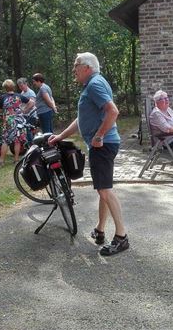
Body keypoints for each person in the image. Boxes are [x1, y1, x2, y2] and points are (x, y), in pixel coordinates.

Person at [49, 52, 129, 256]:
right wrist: (60, 136)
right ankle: (100, 230)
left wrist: (99, 135)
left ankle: (121, 237)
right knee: (103, 189)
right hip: (102, 145)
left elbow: (113, 111)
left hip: (103, 145)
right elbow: (81, 119)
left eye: (76, 65)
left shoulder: (94, 84)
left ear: (87, 67)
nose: (74, 69)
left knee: (105, 191)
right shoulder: (92, 85)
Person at [0, 79, 29, 165]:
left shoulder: (3, 97)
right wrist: (24, 110)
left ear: (5, 88)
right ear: (13, 86)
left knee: (5, 140)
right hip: (19, 120)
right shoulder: (18, 96)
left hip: (8, 121)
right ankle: (16, 160)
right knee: (17, 140)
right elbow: (31, 102)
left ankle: (1, 161)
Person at [17, 77, 38, 143]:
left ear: (26, 84)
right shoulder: (22, 93)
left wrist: (25, 110)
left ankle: (32, 145)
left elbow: (32, 103)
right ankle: (30, 144)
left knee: (29, 131)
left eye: (22, 86)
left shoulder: (31, 93)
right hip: (25, 115)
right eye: (19, 86)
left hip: (31, 115)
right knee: (26, 131)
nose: (21, 87)